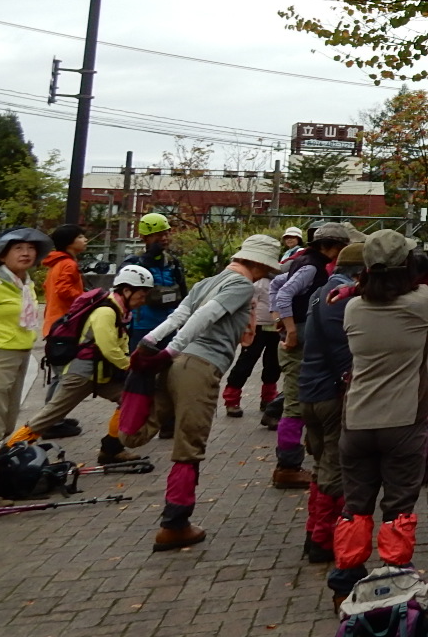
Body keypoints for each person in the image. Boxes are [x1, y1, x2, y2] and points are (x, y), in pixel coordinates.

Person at [133, 233, 283, 551]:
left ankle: (122, 422)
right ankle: (175, 525)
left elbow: (179, 316)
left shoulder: (206, 282)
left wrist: (150, 342)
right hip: (199, 367)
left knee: (142, 430)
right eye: (267, 269)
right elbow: (206, 315)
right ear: (258, 264)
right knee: (190, 447)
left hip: (175, 367)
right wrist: (170, 349)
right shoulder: (241, 285)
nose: (266, 275)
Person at [330, 230, 428, 605]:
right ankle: (393, 581)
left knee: (355, 505)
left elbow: (371, 291)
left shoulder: (352, 308)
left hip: (356, 421)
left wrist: (352, 288)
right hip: (403, 422)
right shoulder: (421, 303)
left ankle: (344, 583)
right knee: (397, 507)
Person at [9, 264, 154, 460]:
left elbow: (120, 344)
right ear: (127, 290)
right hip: (81, 374)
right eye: (141, 295)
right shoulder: (106, 311)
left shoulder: (121, 310)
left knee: (130, 398)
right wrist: (130, 366)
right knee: (49, 416)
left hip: (101, 373)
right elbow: (108, 347)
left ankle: (111, 449)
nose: (143, 301)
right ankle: (8, 451)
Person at [270, 221, 354, 487]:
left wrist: (279, 319)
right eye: (341, 248)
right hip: (297, 343)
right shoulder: (311, 266)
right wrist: (289, 329)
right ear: (330, 246)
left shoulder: (304, 261)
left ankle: (306, 453)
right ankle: (287, 466)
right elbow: (284, 292)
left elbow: (275, 284)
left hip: (306, 339)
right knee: (295, 405)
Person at [298, 240, 362, 564]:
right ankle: (324, 540)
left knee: (320, 463)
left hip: (308, 391)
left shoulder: (318, 293)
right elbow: (345, 349)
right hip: (331, 393)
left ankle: (313, 532)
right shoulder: (344, 298)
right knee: (335, 469)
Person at [122, 213, 187, 438]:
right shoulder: (134, 264)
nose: (165, 238)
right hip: (142, 328)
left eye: (166, 233)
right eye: (159, 234)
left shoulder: (173, 263)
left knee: (170, 377)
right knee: (142, 377)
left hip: (169, 327)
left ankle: (168, 422)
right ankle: (136, 421)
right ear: (145, 237)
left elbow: (183, 294)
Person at [0, 229, 50, 440]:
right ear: (2, 255)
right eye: (18, 248)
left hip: (22, 350)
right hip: (0, 351)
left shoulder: (26, 284)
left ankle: (2, 447)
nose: (26, 253)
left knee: (10, 412)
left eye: (31, 248)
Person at [222, 272, 281, 419]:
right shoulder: (257, 282)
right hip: (257, 327)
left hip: (277, 327)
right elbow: (249, 305)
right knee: (246, 362)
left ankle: (269, 398)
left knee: (273, 364)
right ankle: (231, 399)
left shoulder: (283, 279)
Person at [40, 224, 89, 333]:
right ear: (69, 242)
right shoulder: (68, 264)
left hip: (54, 321)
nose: (85, 240)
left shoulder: (58, 263)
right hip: (65, 323)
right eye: (80, 237)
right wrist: (85, 297)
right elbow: (64, 290)